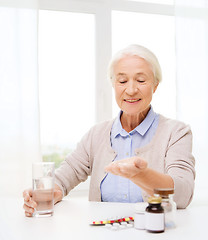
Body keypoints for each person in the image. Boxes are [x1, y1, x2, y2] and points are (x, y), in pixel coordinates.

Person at [23, 44, 195, 217]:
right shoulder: (96, 134)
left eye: (141, 80)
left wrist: (143, 175)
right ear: (113, 85)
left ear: (155, 85)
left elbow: (183, 194)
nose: (131, 90)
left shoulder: (177, 132)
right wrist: (48, 193)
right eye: (122, 81)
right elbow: (65, 176)